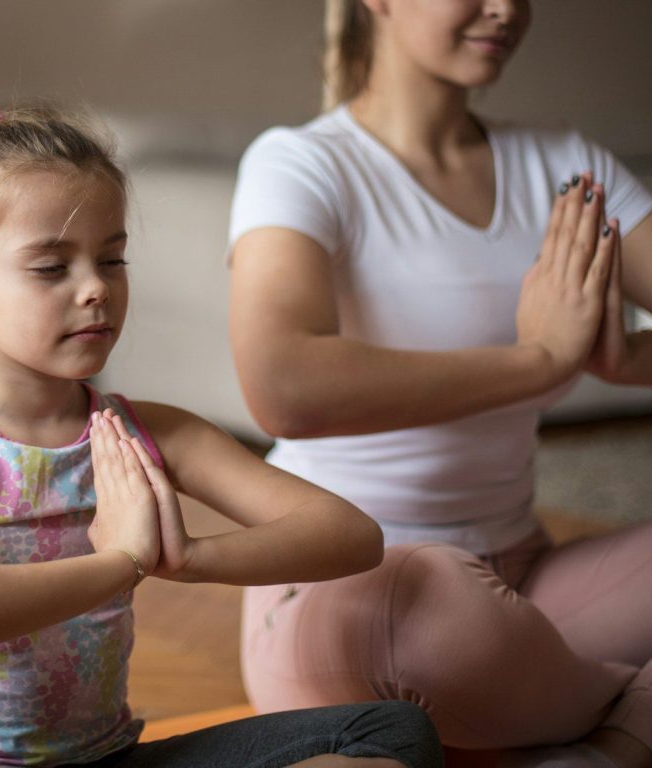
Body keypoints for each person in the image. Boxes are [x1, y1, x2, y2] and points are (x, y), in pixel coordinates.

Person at [0, 77, 444, 768]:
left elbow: (351, 537)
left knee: (390, 734)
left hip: (109, 755)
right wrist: (119, 562)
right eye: (52, 266)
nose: (95, 287)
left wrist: (187, 558)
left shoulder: (149, 433)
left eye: (111, 258)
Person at [227, 1, 652, 766]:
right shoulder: (298, 163)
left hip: (524, 589)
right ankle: (619, 718)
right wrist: (539, 360)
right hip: (348, 596)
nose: (507, 9)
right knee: (429, 604)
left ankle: (594, 737)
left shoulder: (565, 167)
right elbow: (283, 382)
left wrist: (633, 363)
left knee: (469, 616)